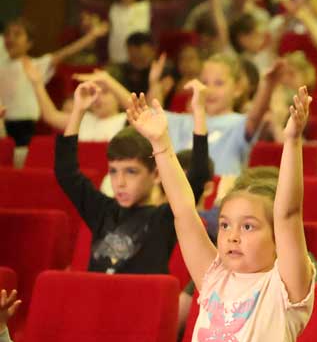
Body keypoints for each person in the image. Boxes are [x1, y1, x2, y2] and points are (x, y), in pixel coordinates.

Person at [126, 84, 315, 342]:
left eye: (248, 227)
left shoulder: (284, 286)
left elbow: (289, 214)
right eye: (225, 225)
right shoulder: (214, 276)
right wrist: (160, 143)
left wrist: (292, 141)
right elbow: (184, 211)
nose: (233, 236)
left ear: (277, 238)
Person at [55, 82, 210, 274]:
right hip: (97, 292)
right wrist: (78, 111)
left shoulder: (164, 219)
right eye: (113, 171)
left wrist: (199, 112)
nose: (119, 182)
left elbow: (198, 176)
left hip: (142, 293)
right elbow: (67, 173)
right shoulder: (103, 211)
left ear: (156, 175)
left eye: (131, 171)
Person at [151, 52, 280, 177]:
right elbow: (152, 114)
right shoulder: (181, 121)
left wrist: (268, 86)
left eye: (219, 83)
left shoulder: (237, 123)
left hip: (220, 190)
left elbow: (254, 118)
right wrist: (154, 83)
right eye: (204, 83)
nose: (210, 90)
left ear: (238, 89)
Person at [60, 0, 205, 64]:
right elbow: (85, 2)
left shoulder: (149, 8)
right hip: (116, 63)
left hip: (143, 64)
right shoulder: (111, 10)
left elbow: (177, 6)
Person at [0, 18, 109, 146]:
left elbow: (66, 52)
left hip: (25, 125)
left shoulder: (36, 65)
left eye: (17, 34)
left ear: (29, 43)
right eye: (7, 34)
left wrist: (92, 36)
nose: (11, 38)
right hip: (2, 122)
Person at [23, 61, 126, 142]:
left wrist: (108, 80)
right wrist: (37, 83)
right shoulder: (82, 118)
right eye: (93, 92)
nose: (97, 97)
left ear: (118, 96)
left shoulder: (126, 119)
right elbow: (51, 116)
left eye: (105, 92)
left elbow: (135, 107)